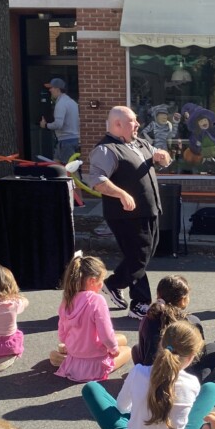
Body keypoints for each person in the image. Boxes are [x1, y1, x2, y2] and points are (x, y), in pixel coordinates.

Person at [81, 321, 215, 429]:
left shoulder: (138, 372)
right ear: (191, 357)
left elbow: (121, 408)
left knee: (91, 388)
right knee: (212, 389)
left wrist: (140, 408)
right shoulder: (192, 383)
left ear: (161, 344)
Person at [87, 106, 173, 320]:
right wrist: (122, 194)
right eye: (133, 121)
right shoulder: (106, 150)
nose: (137, 125)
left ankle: (113, 284)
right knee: (138, 256)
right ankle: (139, 303)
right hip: (125, 215)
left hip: (149, 210)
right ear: (118, 124)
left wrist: (163, 157)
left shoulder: (139, 143)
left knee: (144, 255)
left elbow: (162, 160)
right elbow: (97, 181)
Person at [50, 254, 133, 382]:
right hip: (95, 364)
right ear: (92, 281)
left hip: (75, 356)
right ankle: (67, 360)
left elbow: (62, 333)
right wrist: (114, 350)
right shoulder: (96, 300)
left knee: (121, 338)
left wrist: (69, 346)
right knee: (127, 349)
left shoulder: (67, 300)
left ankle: (64, 359)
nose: (101, 286)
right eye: (101, 281)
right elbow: (105, 334)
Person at [130, 274, 215, 382]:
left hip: (151, 373)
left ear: (158, 295)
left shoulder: (148, 318)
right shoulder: (192, 321)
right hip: (180, 376)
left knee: (136, 348)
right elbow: (197, 353)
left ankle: (146, 375)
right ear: (183, 300)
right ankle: (196, 381)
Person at [40, 77, 80, 164]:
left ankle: (75, 178)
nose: (50, 90)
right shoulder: (71, 102)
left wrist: (45, 125)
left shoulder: (61, 104)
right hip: (73, 139)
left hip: (66, 142)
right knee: (56, 165)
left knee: (70, 169)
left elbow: (58, 124)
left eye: (51, 88)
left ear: (58, 89)